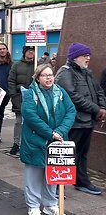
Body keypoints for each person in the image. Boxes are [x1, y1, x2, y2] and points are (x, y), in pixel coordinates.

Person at [21, 64, 76, 215]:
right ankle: (33, 205)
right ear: (37, 78)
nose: (49, 78)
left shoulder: (60, 92)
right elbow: (30, 115)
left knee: (53, 173)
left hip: (57, 140)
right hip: (35, 140)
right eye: (45, 75)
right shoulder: (32, 94)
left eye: (51, 74)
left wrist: (60, 131)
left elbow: (71, 111)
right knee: (34, 174)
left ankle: (50, 203)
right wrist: (50, 133)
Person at [55, 42, 106, 195]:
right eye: (85, 55)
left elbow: (99, 91)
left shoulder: (87, 73)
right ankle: (57, 186)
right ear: (75, 57)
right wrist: (96, 109)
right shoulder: (65, 73)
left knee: (83, 153)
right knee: (66, 154)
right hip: (74, 122)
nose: (88, 58)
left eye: (89, 55)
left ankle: (82, 181)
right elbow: (73, 96)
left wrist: (102, 107)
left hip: (88, 121)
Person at [8, 45, 35, 155]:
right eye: (28, 51)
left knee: (32, 122)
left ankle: (28, 143)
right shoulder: (16, 65)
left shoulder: (38, 65)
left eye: (32, 50)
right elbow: (11, 81)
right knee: (19, 122)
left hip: (33, 97)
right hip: (19, 97)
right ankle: (16, 143)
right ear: (24, 52)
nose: (31, 53)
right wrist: (13, 95)